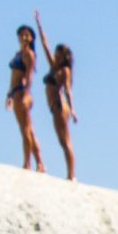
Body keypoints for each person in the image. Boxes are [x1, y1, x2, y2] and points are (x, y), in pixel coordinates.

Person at [35, 11, 77, 180]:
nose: (57, 57)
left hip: (60, 106)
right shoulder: (53, 66)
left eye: (60, 56)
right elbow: (45, 45)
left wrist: (73, 109)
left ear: (65, 58)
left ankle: (71, 175)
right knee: (62, 142)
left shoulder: (64, 71)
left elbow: (67, 89)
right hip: (54, 107)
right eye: (57, 55)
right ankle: (70, 174)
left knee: (65, 142)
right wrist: (39, 25)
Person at [5, 24, 43, 171]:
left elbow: (30, 75)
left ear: (32, 38)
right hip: (16, 92)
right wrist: (9, 94)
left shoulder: (28, 54)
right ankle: (39, 162)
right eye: (22, 34)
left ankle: (28, 163)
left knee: (25, 129)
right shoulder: (18, 54)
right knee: (29, 129)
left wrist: (26, 93)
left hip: (22, 92)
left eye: (27, 35)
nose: (24, 37)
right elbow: (12, 76)